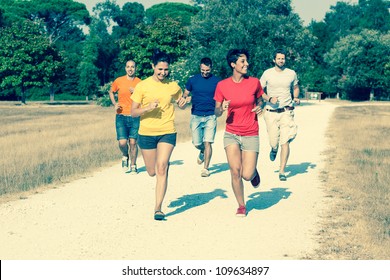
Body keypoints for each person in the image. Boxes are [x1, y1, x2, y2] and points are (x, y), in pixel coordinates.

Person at [131, 50, 187, 221]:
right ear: (153, 66)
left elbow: (181, 102)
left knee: (162, 166)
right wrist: (148, 108)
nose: (163, 73)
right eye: (160, 69)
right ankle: (156, 173)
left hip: (167, 131)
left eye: (166, 70)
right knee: (151, 171)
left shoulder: (173, 85)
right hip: (146, 133)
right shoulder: (142, 86)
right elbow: (133, 112)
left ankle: (158, 208)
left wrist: (183, 103)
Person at [214, 49, 264, 217]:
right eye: (243, 62)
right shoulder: (222, 85)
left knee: (247, 174)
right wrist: (222, 108)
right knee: (235, 171)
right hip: (232, 133)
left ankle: (254, 173)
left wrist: (260, 107)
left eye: (246, 61)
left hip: (251, 132)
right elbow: (216, 111)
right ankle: (241, 205)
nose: (246, 64)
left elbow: (260, 100)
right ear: (233, 64)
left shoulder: (254, 82)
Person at [260, 48, 300, 181]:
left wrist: (295, 97)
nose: (281, 60)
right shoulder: (267, 74)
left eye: (283, 58)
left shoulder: (291, 73)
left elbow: (295, 87)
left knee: (285, 141)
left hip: (286, 111)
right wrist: (269, 99)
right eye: (279, 58)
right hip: (271, 112)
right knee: (274, 141)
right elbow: (259, 91)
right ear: (274, 60)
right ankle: (273, 148)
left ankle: (282, 171)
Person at [182, 57, 221, 177]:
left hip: (210, 115)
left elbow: (222, 96)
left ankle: (206, 168)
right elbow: (185, 94)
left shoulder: (217, 81)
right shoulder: (192, 80)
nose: (204, 72)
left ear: (211, 68)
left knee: (208, 142)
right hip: (196, 116)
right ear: (200, 67)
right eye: (202, 70)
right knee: (197, 143)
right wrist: (185, 99)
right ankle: (202, 151)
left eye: (207, 70)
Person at [109, 60, 141, 174]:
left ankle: (133, 165)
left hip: (134, 115)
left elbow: (145, 97)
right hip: (121, 116)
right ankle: (125, 155)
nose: (130, 69)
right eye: (128, 67)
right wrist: (115, 104)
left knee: (133, 142)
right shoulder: (119, 81)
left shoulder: (140, 83)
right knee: (122, 142)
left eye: (132, 67)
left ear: (135, 68)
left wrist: (137, 91)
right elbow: (111, 92)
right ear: (125, 68)